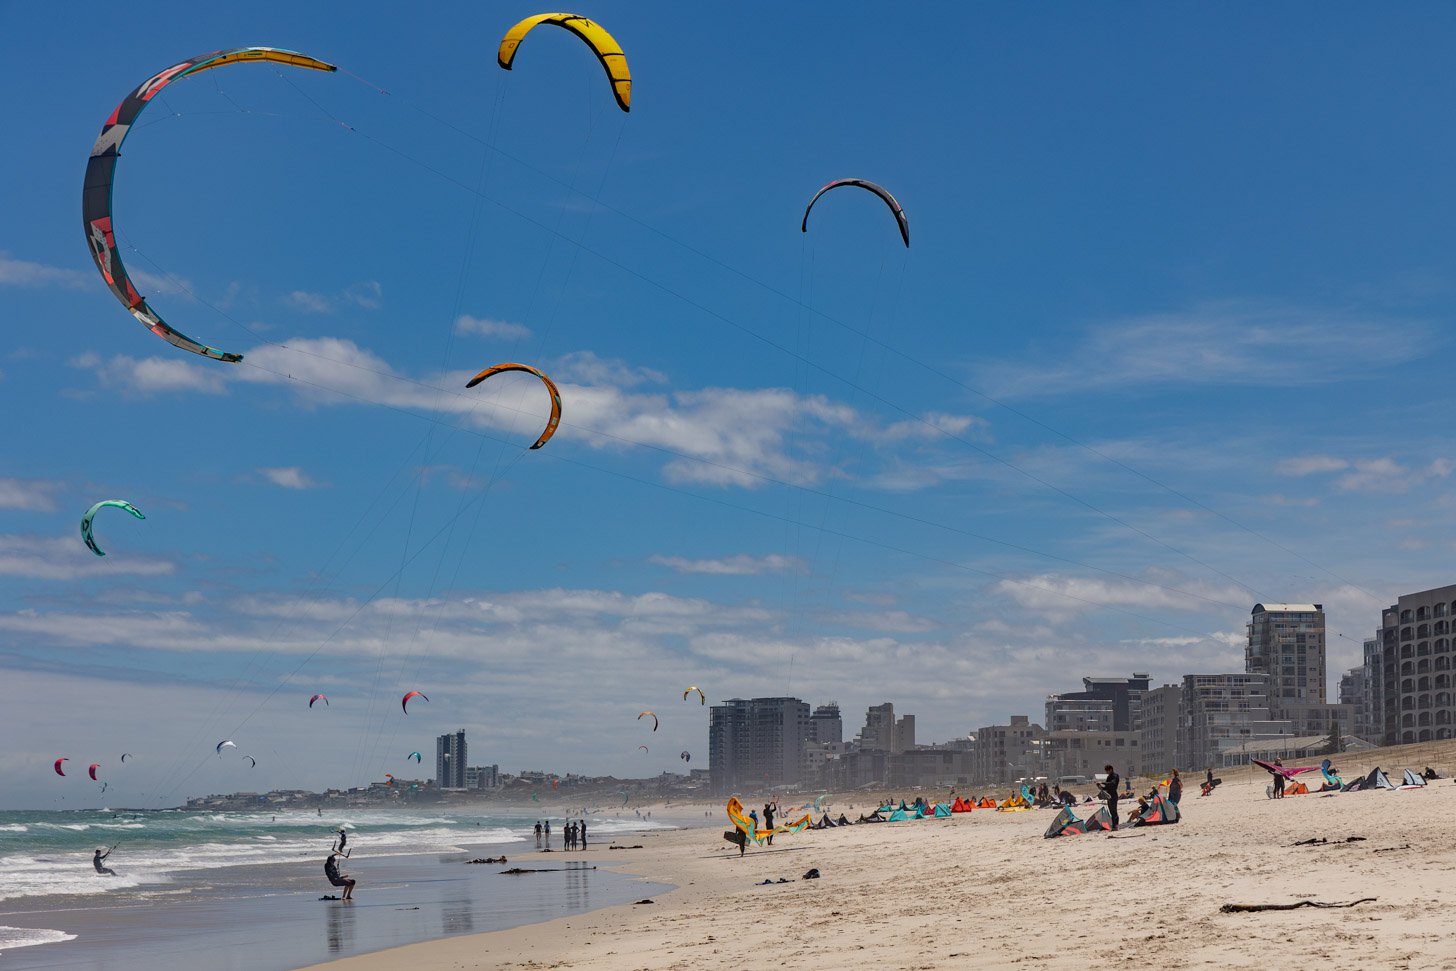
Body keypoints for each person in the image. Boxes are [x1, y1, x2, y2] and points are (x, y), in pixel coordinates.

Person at [1100, 765, 1120, 831]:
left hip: (1113, 795)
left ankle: (1116, 826)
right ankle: (1113, 826)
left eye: (1107, 771)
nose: (1107, 772)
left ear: (1111, 769)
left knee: (1114, 811)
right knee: (1111, 812)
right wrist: (1101, 787)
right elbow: (1107, 787)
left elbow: (1112, 783)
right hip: (1109, 795)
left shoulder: (1115, 776)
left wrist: (1103, 782)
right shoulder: (1108, 777)